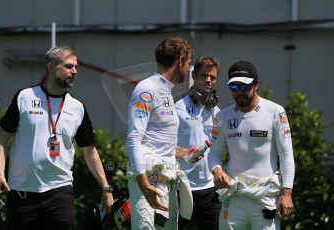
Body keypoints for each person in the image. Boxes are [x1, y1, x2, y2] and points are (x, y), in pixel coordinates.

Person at [0, 46, 114, 230]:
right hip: (22, 192)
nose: (74, 71)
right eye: (68, 66)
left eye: (76, 67)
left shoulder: (77, 107)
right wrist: (1, 174)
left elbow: (90, 151)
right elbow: (2, 137)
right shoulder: (24, 97)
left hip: (60, 192)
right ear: (51, 68)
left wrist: (106, 188)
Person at [208, 60, 295, 230]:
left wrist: (287, 193)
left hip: (265, 197)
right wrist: (217, 170)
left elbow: (286, 155)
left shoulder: (275, 112)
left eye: (244, 86)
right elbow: (214, 153)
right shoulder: (222, 116)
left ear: (256, 85)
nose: (239, 92)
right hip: (234, 196)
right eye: (234, 87)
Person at [125, 36, 192, 229]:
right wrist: (144, 184)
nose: (188, 69)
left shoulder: (167, 93)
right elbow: (133, 139)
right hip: (148, 183)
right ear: (179, 60)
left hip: (167, 182)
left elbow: (159, 143)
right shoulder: (147, 88)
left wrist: (186, 153)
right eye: (188, 63)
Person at [175, 56, 221, 229]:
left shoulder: (216, 111)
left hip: (210, 189)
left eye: (213, 77)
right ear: (194, 76)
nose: (208, 80)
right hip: (182, 187)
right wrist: (184, 154)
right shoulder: (178, 107)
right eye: (204, 75)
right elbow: (165, 144)